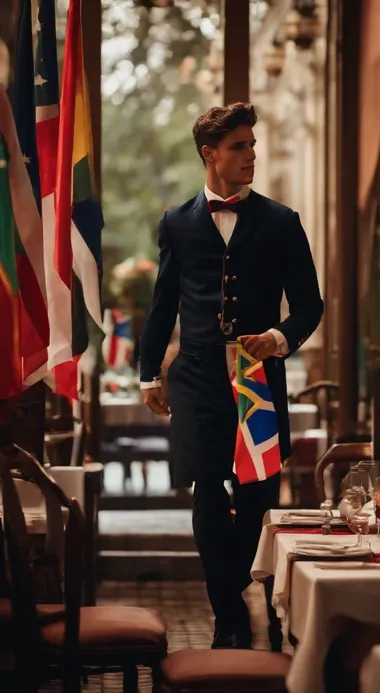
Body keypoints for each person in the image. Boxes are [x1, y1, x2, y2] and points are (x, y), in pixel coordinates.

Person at [140, 102, 323, 649]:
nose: (251, 155)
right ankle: (229, 616)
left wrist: (278, 339)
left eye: (252, 144)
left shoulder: (282, 222)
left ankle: (240, 591)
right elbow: (162, 304)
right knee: (206, 494)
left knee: (259, 493)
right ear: (210, 154)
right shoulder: (176, 222)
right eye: (239, 146)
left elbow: (310, 305)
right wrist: (150, 373)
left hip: (259, 377)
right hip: (195, 376)